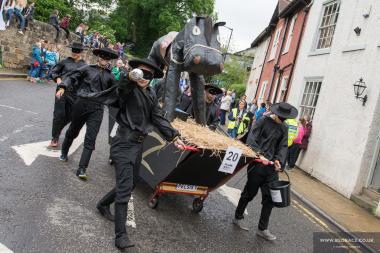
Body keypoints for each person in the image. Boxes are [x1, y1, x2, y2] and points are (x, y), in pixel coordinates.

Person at [95, 58, 185, 250]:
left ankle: (103, 204)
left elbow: (158, 118)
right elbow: (122, 89)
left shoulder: (151, 94)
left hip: (137, 146)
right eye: (141, 73)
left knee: (131, 183)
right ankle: (121, 237)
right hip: (123, 143)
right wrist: (130, 77)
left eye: (149, 75)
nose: (144, 78)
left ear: (153, 78)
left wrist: (174, 136)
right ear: (135, 73)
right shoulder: (129, 89)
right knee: (125, 188)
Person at [233, 102, 298, 241]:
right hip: (258, 164)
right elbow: (251, 138)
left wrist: (279, 161)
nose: (283, 119)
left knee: (270, 198)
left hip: (271, 168)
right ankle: (238, 217)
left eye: (285, 118)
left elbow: (283, 146)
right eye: (282, 117)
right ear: (277, 113)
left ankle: (262, 229)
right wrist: (259, 154)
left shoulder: (284, 128)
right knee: (249, 193)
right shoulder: (263, 120)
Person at [55, 47, 119, 180]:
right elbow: (72, 77)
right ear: (98, 57)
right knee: (73, 131)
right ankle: (64, 152)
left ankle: (82, 168)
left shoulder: (111, 77)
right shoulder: (87, 68)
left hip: (97, 108)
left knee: (91, 138)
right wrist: (62, 86)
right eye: (102, 57)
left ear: (109, 61)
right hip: (81, 103)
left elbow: (116, 94)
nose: (104, 60)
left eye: (107, 58)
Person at [48, 42, 87, 148]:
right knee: (59, 114)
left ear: (81, 52)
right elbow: (53, 71)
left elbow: (86, 80)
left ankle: (58, 129)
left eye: (77, 51)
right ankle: (55, 137)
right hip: (61, 90)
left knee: (71, 115)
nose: (75, 53)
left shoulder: (85, 65)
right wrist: (58, 78)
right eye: (73, 50)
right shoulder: (64, 62)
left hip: (74, 93)